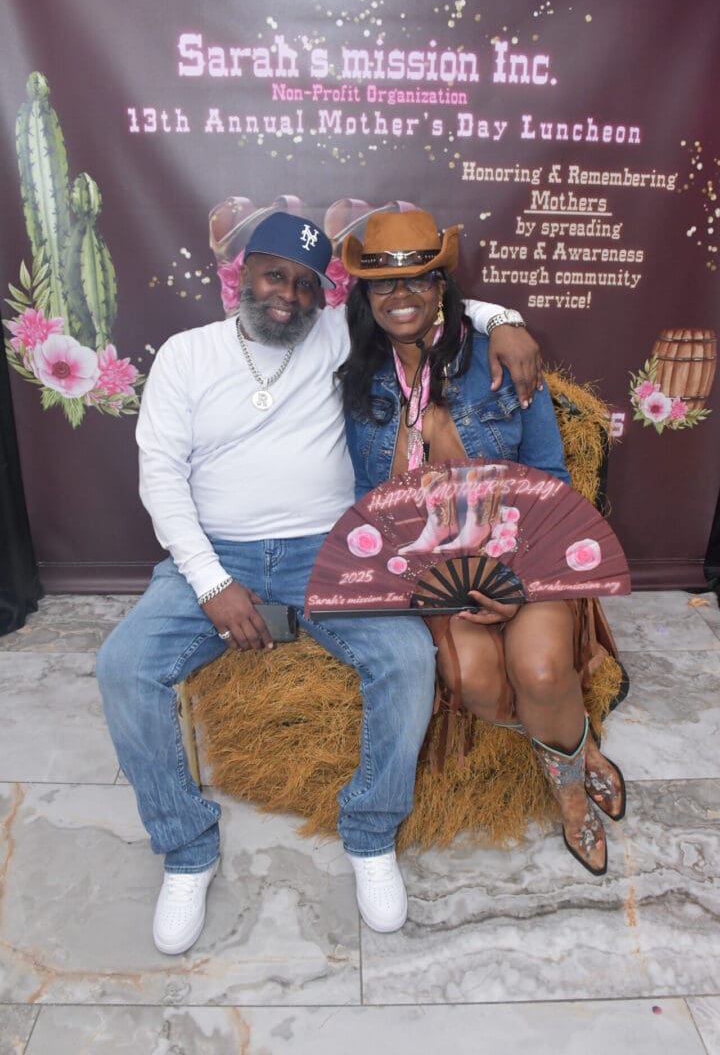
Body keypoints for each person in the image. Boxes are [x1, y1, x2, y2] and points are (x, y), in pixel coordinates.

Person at [97, 209, 545, 951]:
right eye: (278, 276)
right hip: (215, 553)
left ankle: (370, 834)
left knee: (404, 658)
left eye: (309, 286)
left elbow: (426, 302)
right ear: (244, 274)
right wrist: (211, 583)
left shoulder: (341, 330)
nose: (292, 298)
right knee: (123, 666)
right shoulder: (186, 354)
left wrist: (509, 320)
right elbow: (161, 479)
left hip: (328, 551)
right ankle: (186, 848)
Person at [339, 208, 626, 877]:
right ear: (365, 297)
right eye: (384, 285)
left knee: (544, 672)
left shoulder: (498, 362)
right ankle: (576, 743)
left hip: (521, 558)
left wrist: (514, 579)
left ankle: (572, 800)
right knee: (473, 680)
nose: (401, 296)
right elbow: (372, 509)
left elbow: (551, 482)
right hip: (434, 573)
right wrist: (414, 442)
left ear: (442, 286)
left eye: (419, 279)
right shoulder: (359, 380)